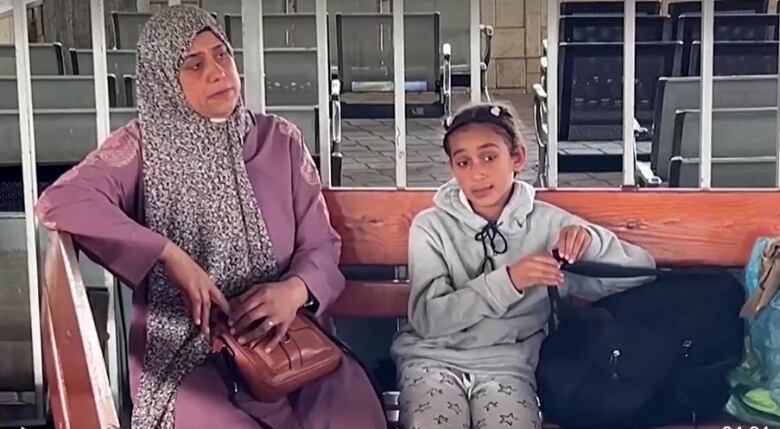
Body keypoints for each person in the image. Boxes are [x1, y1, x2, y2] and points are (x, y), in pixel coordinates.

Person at [35, 5, 385, 429]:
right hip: (191, 356)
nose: (218, 72)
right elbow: (61, 200)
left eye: (222, 55)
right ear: (164, 79)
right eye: (193, 64)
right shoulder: (141, 149)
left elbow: (321, 245)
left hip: (288, 341)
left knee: (351, 413)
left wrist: (295, 290)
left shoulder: (278, 141)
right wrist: (169, 254)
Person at [390, 102, 656, 429]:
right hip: (431, 360)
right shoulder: (431, 227)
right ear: (452, 168)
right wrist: (510, 281)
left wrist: (591, 241)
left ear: (516, 157)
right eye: (463, 162)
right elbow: (429, 320)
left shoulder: (547, 225)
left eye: (489, 157)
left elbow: (640, 272)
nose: (477, 172)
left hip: (509, 366)